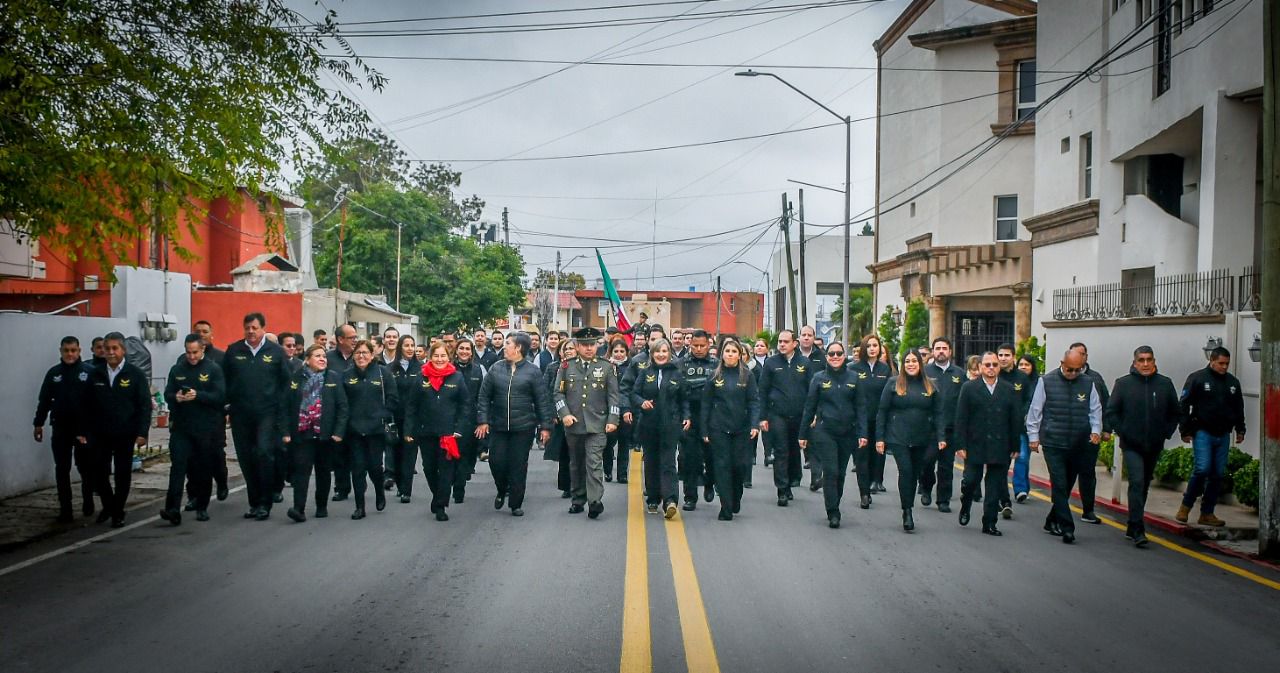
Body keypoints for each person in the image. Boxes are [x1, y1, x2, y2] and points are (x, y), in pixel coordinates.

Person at [1104, 346, 1181, 546]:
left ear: (1154, 361)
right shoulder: (1123, 384)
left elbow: (1175, 412)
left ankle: (1132, 522)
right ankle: (1138, 528)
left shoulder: (1165, 384)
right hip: (1131, 444)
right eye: (1141, 360)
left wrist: (1166, 432)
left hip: (1154, 444)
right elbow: (1112, 412)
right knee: (1136, 481)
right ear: (1135, 362)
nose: (1145, 364)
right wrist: (1123, 432)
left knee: (1144, 484)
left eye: (1149, 360)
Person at [1026, 349, 1103, 544]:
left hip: (1078, 443)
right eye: (1070, 369)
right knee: (1059, 484)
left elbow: (1095, 409)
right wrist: (1033, 437)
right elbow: (1036, 411)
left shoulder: (1087, 382)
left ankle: (1051, 520)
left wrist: (1096, 431)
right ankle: (1067, 527)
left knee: (1066, 485)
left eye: (1078, 370)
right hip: (1053, 442)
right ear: (1062, 363)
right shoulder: (1047, 381)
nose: (1073, 373)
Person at [223, 312, 292, 521]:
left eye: (254, 328)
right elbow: (224, 380)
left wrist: (282, 411)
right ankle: (254, 502)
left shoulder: (276, 352)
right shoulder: (234, 351)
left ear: (263, 328)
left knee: (264, 453)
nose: (251, 331)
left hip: (267, 413)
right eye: (247, 328)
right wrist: (227, 406)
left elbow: (286, 383)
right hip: (241, 413)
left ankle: (265, 502)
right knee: (246, 458)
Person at [476, 332, 553, 517]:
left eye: (508, 343)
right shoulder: (496, 369)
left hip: (523, 427)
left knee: (518, 465)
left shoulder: (532, 372)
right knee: (497, 461)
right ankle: (502, 489)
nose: (504, 347)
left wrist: (545, 426)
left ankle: (515, 503)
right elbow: (484, 397)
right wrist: (483, 421)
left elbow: (542, 400)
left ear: (518, 348)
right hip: (499, 425)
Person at [874, 350, 945, 532]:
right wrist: (880, 438)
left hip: (922, 436)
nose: (911, 364)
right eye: (907, 361)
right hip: (898, 436)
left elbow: (938, 414)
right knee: (905, 470)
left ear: (920, 364)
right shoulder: (893, 383)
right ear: (903, 364)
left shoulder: (930, 386)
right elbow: (882, 411)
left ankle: (910, 501)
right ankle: (907, 510)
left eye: (914, 361)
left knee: (914, 473)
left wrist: (941, 436)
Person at [1175, 347, 1247, 528]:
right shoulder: (1198, 378)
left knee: (1217, 474)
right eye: (1221, 363)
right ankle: (1186, 506)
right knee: (1202, 468)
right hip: (1203, 431)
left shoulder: (1232, 383)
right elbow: (1184, 404)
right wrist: (1185, 430)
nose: (1224, 367)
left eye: (1227, 364)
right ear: (1212, 361)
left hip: (1223, 433)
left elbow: (1238, 407)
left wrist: (1240, 429)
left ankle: (1207, 513)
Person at [87, 332, 151, 528]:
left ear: (123, 350)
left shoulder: (135, 374)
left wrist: (142, 432)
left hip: (125, 433)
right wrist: (85, 431)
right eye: (107, 349)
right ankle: (109, 505)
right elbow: (86, 405)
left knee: (123, 473)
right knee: (99, 473)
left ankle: (117, 512)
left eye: (115, 348)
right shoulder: (95, 373)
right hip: (100, 434)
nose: (111, 352)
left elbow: (144, 405)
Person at [554, 327, 620, 519]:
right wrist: (564, 413)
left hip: (597, 424)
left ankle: (594, 501)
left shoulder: (607, 367)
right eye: (584, 345)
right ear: (577, 346)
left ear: (597, 345)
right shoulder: (567, 366)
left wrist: (613, 419)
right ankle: (578, 499)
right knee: (576, 463)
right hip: (573, 424)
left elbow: (614, 397)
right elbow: (558, 393)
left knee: (593, 462)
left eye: (592, 345)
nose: (589, 349)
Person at [160, 334, 226, 525]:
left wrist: (198, 396)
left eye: (195, 352)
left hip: (206, 428)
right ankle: (172, 509)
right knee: (178, 467)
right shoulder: (178, 368)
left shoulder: (213, 369)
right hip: (181, 427)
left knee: (203, 468)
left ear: (203, 349)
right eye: (188, 352)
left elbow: (219, 397)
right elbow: (168, 393)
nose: (191, 356)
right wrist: (176, 398)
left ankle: (202, 506)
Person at [954, 352, 1022, 536]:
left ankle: (989, 522)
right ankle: (965, 504)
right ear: (980, 367)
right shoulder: (969, 388)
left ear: (999, 367)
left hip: (1000, 445)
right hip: (975, 443)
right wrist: (960, 444)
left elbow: (1015, 419)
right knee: (970, 481)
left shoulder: (1009, 389)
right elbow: (961, 418)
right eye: (987, 365)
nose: (991, 368)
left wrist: (1016, 446)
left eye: (994, 364)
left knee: (994, 486)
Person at [33, 336, 98, 522]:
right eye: (66, 350)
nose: (70, 354)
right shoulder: (54, 373)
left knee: (85, 468)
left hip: (83, 430)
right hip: (61, 428)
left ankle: (87, 501)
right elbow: (44, 401)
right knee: (62, 469)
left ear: (79, 351)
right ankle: (66, 509)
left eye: (73, 350)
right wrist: (38, 423)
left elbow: (98, 403)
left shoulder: (89, 372)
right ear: (60, 351)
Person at [280, 345, 348, 522]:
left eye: (324, 356)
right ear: (307, 359)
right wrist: (285, 431)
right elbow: (285, 406)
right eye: (317, 356)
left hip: (326, 434)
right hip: (303, 434)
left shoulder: (332, 378)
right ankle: (298, 508)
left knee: (323, 472)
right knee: (301, 471)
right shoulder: (296, 378)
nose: (322, 359)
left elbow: (342, 407)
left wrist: (338, 432)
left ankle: (321, 506)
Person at [404, 342, 470, 521]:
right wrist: (408, 429)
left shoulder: (457, 377)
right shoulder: (420, 378)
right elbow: (411, 406)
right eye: (436, 356)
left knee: (446, 470)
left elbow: (465, 405)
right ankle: (437, 495)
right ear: (430, 357)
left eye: (443, 356)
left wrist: (459, 428)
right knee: (429, 468)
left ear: (448, 357)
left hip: (448, 434)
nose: (439, 359)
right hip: (426, 432)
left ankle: (441, 505)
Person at [798, 341, 859, 528]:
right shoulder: (818, 378)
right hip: (825, 431)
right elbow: (809, 407)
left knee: (840, 473)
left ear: (844, 355)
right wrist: (803, 434)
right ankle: (833, 511)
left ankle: (835, 500)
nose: (834, 357)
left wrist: (863, 432)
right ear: (826, 357)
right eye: (831, 354)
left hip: (848, 432)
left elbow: (861, 408)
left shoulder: (854, 378)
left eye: (838, 353)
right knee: (831, 471)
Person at [700, 339, 760, 521]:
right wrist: (704, 430)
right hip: (718, 428)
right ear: (722, 354)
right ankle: (725, 507)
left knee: (738, 466)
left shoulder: (747, 376)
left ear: (740, 355)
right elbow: (706, 405)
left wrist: (754, 424)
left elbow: (754, 402)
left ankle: (735, 497)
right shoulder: (714, 376)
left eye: (734, 351)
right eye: (727, 351)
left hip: (741, 429)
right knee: (722, 467)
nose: (731, 354)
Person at [630, 338, 690, 519]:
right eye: (657, 351)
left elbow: (684, 399)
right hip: (649, 425)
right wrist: (642, 403)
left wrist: (687, 416)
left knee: (668, 463)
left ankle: (670, 500)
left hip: (670, 424)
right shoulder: (646, 372)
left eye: (664, 351)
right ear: (652, 354)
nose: (661, 355)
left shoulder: (677, 373)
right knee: (651, 462)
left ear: (669, 353)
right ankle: (653, 498)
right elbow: (634, 393)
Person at [340, 340, 398, 519]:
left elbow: (393, 399)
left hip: (376, 430)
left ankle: (379, 492)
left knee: (374, 467)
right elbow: (342, 403)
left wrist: (383, 415)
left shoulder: (383, 373)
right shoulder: (347, 375)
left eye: (365, 353)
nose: (361, 356)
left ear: (372, 355)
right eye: (358, 353)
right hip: (355, 430)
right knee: (357, 468)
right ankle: (360, 507)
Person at [920, 337, 966, 513]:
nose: (941, 351)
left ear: (950, 352)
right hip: (929, 428)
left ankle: (943, 499)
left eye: (944, 348)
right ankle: (926, 487)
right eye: (937, 348)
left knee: (947, 465)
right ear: (933, 351)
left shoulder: (959, 374)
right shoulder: (925, 371)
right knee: (927, 461)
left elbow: (964, 400)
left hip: (950, 427)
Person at [1069, 342, 1111, 524]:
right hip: (1066, 435)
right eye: (1076, 353)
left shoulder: (1096, 379)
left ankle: (1088, 510)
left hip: (1089, 435)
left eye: (1083, 353)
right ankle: (1059, 510)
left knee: (1087, 473)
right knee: (1066, 475)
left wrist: (1106, 428)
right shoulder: (1059, 377)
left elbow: (1105, 405)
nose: (1081, 356)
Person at [678, 329, 717, 510]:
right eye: (696, 346)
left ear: (709, 345)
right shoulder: (681, 364)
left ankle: (709, 483)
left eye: (703, 346)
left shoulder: (717, 364)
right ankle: (690, 496)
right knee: (689, 457)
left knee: (711, 454)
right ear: (690, 344)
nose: (699, 349)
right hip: (689, 414)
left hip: (710, 415)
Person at [996, 343, 1033, 518]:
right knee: (1000, 465)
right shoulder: (994, 375)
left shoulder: (1022, 378)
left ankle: (1020, 489)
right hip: (998, 428)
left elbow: (1028, 399)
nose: (1003, 358)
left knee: (1023, 457)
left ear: (1013, 357)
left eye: (1006, 355)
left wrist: (1022, 414)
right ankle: (1002, 499)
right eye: (1000, 355)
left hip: (1018, 428)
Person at [854, 335, 892, 497]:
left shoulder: (885, 369)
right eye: (868, 345)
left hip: (880, 417)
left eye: (875, 345)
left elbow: (890, 393)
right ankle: (865, 483)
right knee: (863, 452)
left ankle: (877, 480)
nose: (872, 348)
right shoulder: (854, 368)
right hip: (861, 418)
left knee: (879, 449)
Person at [450, 338, 485, 503]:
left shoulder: (477, 370)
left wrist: (482, 419)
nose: (464, 352)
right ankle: (450, 482)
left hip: (470, 420)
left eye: (467, 349)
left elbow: (482, 397)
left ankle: (459, 488)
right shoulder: (449, 369)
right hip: (450, 418)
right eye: (461, 348)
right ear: (456, 351)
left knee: (465, 456)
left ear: (471, 352)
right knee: (450, 455)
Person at [543, 340, 577, 499]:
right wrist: (552, 414)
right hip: (560, 417)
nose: (569, 351)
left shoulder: (583, 367)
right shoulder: (553, 368)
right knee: (564, 453)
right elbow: (547, 392)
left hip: (579, 415)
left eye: (572, 348)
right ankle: (566, 486)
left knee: (578, 453)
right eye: (566, 349)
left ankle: (579, 485)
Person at [1010, 354, 1041, 503]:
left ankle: (1024, 487)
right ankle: (1020, 489)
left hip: (1034, 426)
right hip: (1019, 426)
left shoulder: (1039, 383)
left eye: (1026, 365)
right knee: (1021, 457)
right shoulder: (1014, 381)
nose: (1023, 367)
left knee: (1025, 458)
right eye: (1021, 364)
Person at [603, 338, 633, 483]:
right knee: (608, 442)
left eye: (622, 351)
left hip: (626, 410)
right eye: (616, 351)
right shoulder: (604, 366)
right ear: (611, 352)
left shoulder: (631, 367)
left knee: (624, 444)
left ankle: (622, 474)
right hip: (608, 412)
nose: (619, 354)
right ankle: (607, 470)